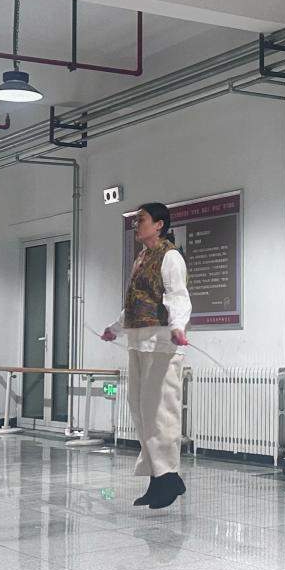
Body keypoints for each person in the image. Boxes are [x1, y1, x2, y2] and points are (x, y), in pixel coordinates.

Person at [103, 202, 192, 509]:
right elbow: (134, 302)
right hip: (139, 342)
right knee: (141, 409)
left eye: (141, 220)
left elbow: (178, 297)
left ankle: (168, 476)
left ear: (159, 224)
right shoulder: (141, 257)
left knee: (160, 411)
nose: (136, 225)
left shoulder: (171, 256)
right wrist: (115, 328)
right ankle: (159, 476)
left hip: (161, 344)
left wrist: (178, 326)